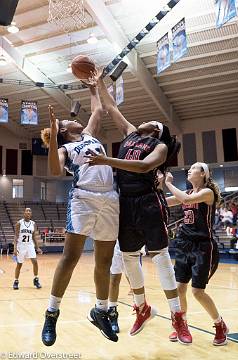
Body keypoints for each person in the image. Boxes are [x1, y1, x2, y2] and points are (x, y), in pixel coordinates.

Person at [84, 73, 192, 344]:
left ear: (156, 129)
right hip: (125, 204)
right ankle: (141, 308)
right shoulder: (131, 134)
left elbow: (144, 167)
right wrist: (97, 84)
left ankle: (178, 318)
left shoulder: (160, 146)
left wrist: (106, 160)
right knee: (130, 258)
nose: (145, 119)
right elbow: (111, 107)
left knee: (160, 257)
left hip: (147, 202)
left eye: (152, 120)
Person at [40, 84, 119, 346]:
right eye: (65, 122)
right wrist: (52, 135)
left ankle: (100, 309)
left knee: (104, 261)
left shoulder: (89, 134)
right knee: (70, 257)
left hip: (110, 198)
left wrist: (93, 86)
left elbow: (98, 108)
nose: (74, 120)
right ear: (62, 130)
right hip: (83, 198)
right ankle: (52, 313)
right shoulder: (64, 149)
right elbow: (53, 170)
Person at [165, 162, 228, 346]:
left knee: (197, 291)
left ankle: (219, 324)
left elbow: (184, 200)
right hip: (184, 245)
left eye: (193, 168)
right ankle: (181, 325)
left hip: (202, 247)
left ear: (203, 174)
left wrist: (168, 183)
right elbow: (167, 202)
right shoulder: (189, 194)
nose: (189, 170)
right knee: (179, 289)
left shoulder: (207, 193)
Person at [13, 208, 42, 290]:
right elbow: (15, 236)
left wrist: (37, 247)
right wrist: (15, 248)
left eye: (30, 211)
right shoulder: (19, 223)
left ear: (31, 214)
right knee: (19, 264)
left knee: (35, 262)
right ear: (24, 213)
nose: (28, 212)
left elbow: (34, 236)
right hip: (21, 246)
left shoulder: (33, 224)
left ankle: (36, 280)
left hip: (30, 245)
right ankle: (16, 281)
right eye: (27, 211)